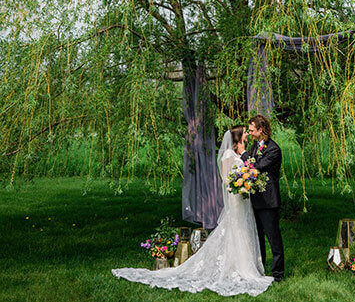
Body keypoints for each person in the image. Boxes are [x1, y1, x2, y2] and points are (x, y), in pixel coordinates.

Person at [111, 125, 274, 297]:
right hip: (236, 198)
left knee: (243, 229)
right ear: (238, 137)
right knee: (236, 228)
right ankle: (237, 266)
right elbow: (226, 180)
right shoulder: (227, 155)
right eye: (245, 132)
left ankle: (242, 264)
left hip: (243, 198)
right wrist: (238, 183)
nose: (248, 134)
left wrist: (245, 180)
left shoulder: (240, 154)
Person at [239, 114, 285, 282]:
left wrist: (243, 154)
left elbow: (256, 167)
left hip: (268, 201)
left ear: (261, 130)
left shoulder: (273, 149)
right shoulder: (254, 146)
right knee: (257, 237)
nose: (250, 133)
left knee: (273, 238)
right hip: (255, 200)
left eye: (252, 130)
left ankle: (278, 274)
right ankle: (260, 269)